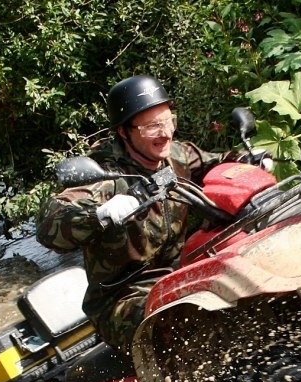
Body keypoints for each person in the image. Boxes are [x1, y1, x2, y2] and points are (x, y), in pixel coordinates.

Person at [36, 75, 243, 359]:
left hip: (178, 271)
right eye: (151, 126)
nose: (165, 133)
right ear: (124, 132)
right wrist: (101, 214)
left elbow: (215, 161)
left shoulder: (174, 156)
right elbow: (51, 224)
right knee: (184, 324)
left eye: (169, 120)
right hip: (123, 298)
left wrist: (250, 159)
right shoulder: (105, 177)